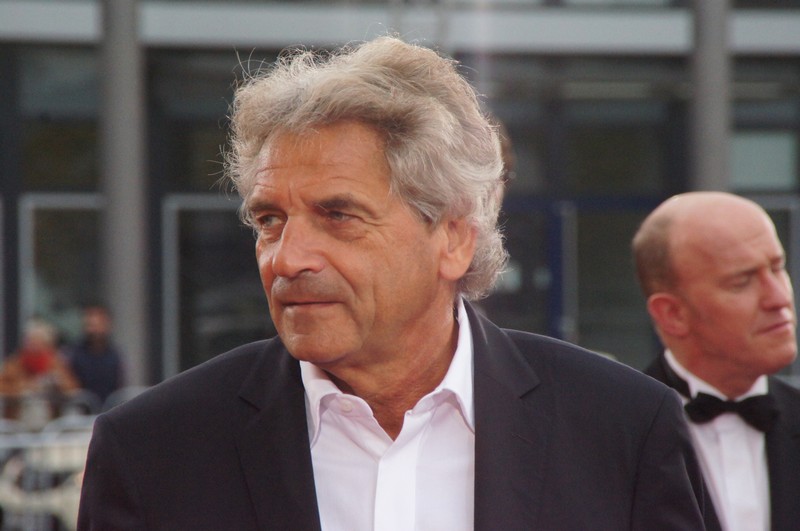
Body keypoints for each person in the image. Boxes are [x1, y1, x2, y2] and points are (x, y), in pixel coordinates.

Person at [78, 36, 708, 530]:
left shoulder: (624, 430)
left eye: (338, 215)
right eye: (270, 220)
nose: (287, 258)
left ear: (453, 239)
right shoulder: (152, 451)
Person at [633, 191, 800, 531]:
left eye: (777, 268)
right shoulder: (612, 439)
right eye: (742, 281)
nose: (779, 298)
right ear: (672, 314)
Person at [0, 317, 80, 420]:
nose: (34, 346)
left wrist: (57, 382)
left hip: (51, 420)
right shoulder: (15, 363)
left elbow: (73, 389)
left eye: (39, 342)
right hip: (19, 419)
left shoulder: (55, 363)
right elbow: (2, 386)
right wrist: (23, 388)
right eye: (31, 342)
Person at [65, 305, 125, 405]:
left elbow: (119, 385)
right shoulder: (74, 353)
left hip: (109, 407)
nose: (95, 330)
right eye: (90, 325)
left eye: (98, 324)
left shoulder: (114, 354)